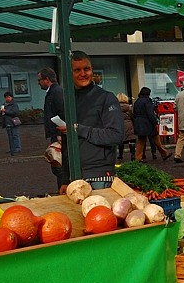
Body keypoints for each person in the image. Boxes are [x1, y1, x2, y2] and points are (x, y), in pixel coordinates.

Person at [54, 51, 124, 182]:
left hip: (100, 175)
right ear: (69, 73)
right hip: (74, 176)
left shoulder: (106, 98)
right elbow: (66, 142)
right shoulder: (68, 100)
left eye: (86, 69)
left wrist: (78, 129)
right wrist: (64, 178)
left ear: (92, 70)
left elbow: (116, 136)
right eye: (77, 70)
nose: (83, 74)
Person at [39, 67, 68, 189]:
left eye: (39, 80)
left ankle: (63, 187)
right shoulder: (53, 91)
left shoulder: (56, 92)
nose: (38, 83)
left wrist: (59, 133)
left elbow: (62, 111)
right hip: (56, 134)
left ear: (46, 79)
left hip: (59, 134)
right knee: (56, 166)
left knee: (59, 165)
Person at [133, 87, 171, 162]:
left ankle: (138, 158)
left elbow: (134, 112)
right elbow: (150, 113)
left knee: (141, 141)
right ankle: (164, 153)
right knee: (156, 138)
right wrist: (155, 122)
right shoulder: (147, 101)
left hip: (138, 122)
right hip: (147, 123)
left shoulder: (137, 101)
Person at [0, 92, 22, 156]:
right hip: (7, 122)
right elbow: (3, 114)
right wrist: (1, 112)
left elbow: (14, 112)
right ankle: (12, 148)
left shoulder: (14, 104)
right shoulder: (4, 105)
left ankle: (17, 147)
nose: (7, 98)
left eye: (9, 97)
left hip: (13, 122)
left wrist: (5, 111)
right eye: (6, 97)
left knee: (15, 135)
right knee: (10, 136)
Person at [115, 93, 136, 161]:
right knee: (131, 140)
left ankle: (120, 155)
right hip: (129, 124)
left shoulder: (115, 108)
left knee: (121, 140)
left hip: (120, 125)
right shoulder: (129, 107)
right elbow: (133, 116)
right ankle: (132, 155)